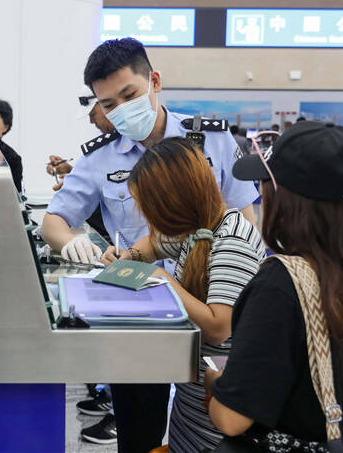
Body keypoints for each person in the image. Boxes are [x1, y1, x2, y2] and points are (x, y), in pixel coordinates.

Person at [43, 38, 260, 453]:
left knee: (212, 414)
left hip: (216, 315)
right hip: (140, 320)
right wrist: (86, 246)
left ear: (154, 81)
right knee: (145, 428)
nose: (121, 110)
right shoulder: (99, 157)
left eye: (129, 95)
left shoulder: (211, 141)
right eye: (108, 104)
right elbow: (60, 221)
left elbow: (240, 232)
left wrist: (165, 278)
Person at [207, 121, 343, 452]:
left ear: (287, 199)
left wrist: (217, 384)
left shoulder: (282, 285)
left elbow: (232, 419)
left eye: (265, 183)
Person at [100, 137, 266, 451]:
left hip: (216, 421)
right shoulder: (199, 230)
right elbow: (152, 245)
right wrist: (130, 259)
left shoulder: (232, 240)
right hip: (190, 413)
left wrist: (165, 282)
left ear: (173, 202)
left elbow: (219, 327)